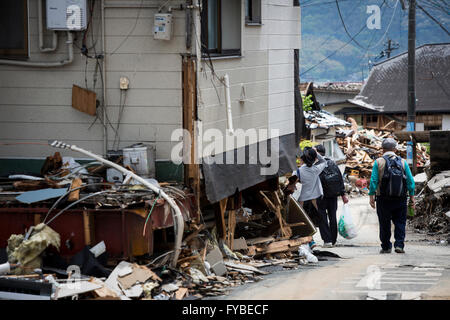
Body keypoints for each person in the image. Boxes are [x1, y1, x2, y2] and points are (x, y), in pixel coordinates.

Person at [369, 138, 415, 254]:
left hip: (383, 199)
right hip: (401, 198)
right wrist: (412, 198)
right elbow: (410, 181)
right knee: (400, 222)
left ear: (382, 149)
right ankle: (399, 245)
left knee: (384, 223)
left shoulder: (378, 162)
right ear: (395, 149)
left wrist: (371, 197)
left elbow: (374, 180)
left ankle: (386, 246)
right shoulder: (403, 162)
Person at [315, 145, 349, 248]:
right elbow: (340, 178)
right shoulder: (332, 163)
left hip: (321, 195)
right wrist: (343, 194)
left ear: (317, 153)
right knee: (332, 217)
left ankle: (327, 241)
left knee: (322, 217)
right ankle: (333, 240)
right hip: (333, 195)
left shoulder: (317, 165)